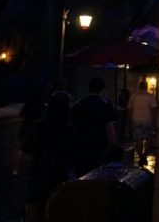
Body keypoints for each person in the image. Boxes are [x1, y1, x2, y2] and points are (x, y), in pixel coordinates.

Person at [18, 91, 74, 222]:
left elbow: (25, 153)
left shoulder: (36, 126)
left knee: (35, 212)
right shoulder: (69, 130)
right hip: (59, 178)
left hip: (38, 175)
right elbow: (72, 157)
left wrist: (22, 171)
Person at [71, 77, 116, 176]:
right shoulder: (105, 105)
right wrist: (113, 145)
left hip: (81, 144)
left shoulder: (78, 105)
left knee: (81, 173)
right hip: (99, 144)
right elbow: (109, 127)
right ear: (102, 89)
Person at [129, 79, 158, 164]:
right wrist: (154, 120)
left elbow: (129, 109)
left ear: (139, 87)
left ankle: (141, 157)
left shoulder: (133, 96)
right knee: (149, 138)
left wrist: (130, 120)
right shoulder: (150, 96)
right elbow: (153, 110)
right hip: (147, 120)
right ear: (146, 87)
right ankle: (144, 155)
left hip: (135, 119)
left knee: (139, 140)